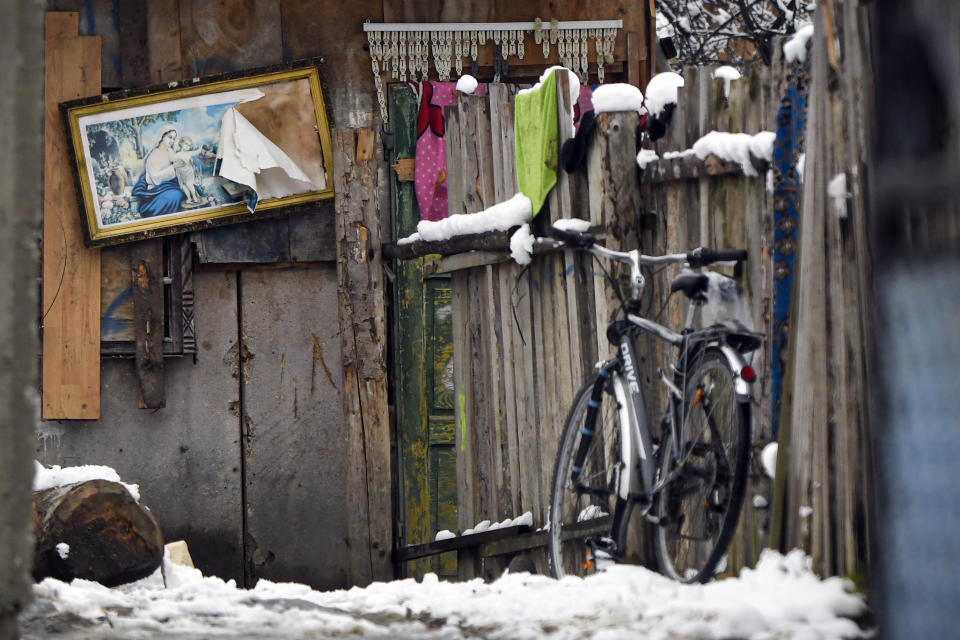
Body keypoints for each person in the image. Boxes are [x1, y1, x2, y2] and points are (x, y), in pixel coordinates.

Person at [131, 127, 185, 217]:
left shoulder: (170, 151)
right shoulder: (154, 155)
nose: (172, 141)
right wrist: (173, 167)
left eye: (174, 138)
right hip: (156, 188)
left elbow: (177, 164)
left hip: (169, 184)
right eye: (170, 137)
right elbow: (155, 179)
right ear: (162, 136)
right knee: (176, 195)